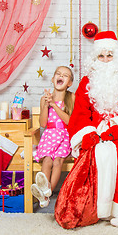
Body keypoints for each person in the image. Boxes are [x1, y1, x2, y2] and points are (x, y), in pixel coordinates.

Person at [54, 31, 118, 229]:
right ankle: (95, 208)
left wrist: (115, 131)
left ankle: (115, 209)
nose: (105, 60)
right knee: (97, 152)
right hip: (94, 129)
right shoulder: (87, 81)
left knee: (116, 152)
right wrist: (89, 133)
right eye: (100, 56)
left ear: (116, 56)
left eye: (109, 55)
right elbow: (80, 113)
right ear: (95, 58)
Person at [31, 66, 75, 208]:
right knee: (48, 161)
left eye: (65, 75)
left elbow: (69, 122)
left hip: (64, 135)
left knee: (58, 161)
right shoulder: (44, 99)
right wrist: (46, 104)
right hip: (49, 135)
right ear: (53, 79)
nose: (61, 76)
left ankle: (46, 193)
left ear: (69, 83)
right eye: (58, 74)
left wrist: (54, 105)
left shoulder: (71, 97)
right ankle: (44, 194)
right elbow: (43, 123)